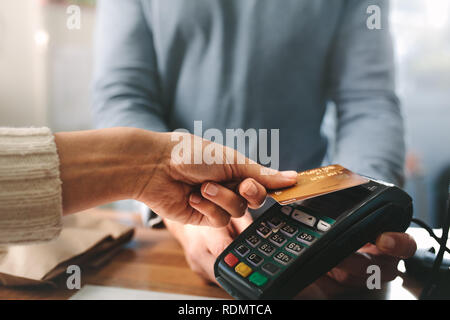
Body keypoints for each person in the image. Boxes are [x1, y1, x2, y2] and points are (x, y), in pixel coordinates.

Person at [92, 0, 417, 293]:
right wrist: (177, 210)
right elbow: (122, 95)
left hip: (307, 228)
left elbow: (368, 102)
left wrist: (360, 214)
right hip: (169, 234)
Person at [0, 126, 297, 244]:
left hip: (299, 219)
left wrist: (344, 206)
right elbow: (121, 91)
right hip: (173, 235)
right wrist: (152, 171)